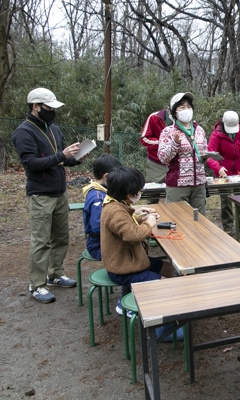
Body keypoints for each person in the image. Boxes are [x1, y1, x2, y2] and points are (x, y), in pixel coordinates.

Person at [11, 87, 82, 304]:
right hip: (41, 194)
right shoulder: (24, 132)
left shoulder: (54, 129)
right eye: (49, 108)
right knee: (41, 241)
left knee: (61, 237)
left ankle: (55, 274)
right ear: (36, 106)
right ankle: (37, 285)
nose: (52, 112)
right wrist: (61, 155)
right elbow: (31, 164)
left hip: (60, 191)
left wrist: (77, 157)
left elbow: (62, 160)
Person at [100, 166, 183, 342]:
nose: (139, 192)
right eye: (137, 190)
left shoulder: (117, 205)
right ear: (127, 192)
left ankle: (134, 304)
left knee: (171, 270)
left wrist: (139, 218)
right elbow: (131, 235)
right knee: (166, 286)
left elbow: (125, 226)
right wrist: (149, 223)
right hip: (125, 269)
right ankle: (164, 330)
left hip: (133, 261)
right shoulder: (115, 211)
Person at [157, 92, 211, 215]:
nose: (186, 110)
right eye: (182, 107)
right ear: (174, 112)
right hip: (178, 185)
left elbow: (203, 152)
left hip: (199, 184)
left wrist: (206, 156)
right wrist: (175, 144)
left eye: (189, 107)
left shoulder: (199, 130)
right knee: (177, 219)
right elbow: (163, 158)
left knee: (199, 220)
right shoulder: (168, 131)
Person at [82, 154, 123, 260]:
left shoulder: (100, 191)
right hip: (98, 245)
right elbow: (97, 227)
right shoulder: (98, 198)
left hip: (105, 241)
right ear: (107, 176)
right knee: (131, 255)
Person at [139, 104, 172, 204]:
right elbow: (144, 138)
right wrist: (163, 142)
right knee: (152, 195)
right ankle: (151, 217)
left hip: (175, 163)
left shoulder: (183, 120)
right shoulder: (154, 117)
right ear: (168, 108)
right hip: (156, 163)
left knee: (173, 195)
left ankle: (171, 218)